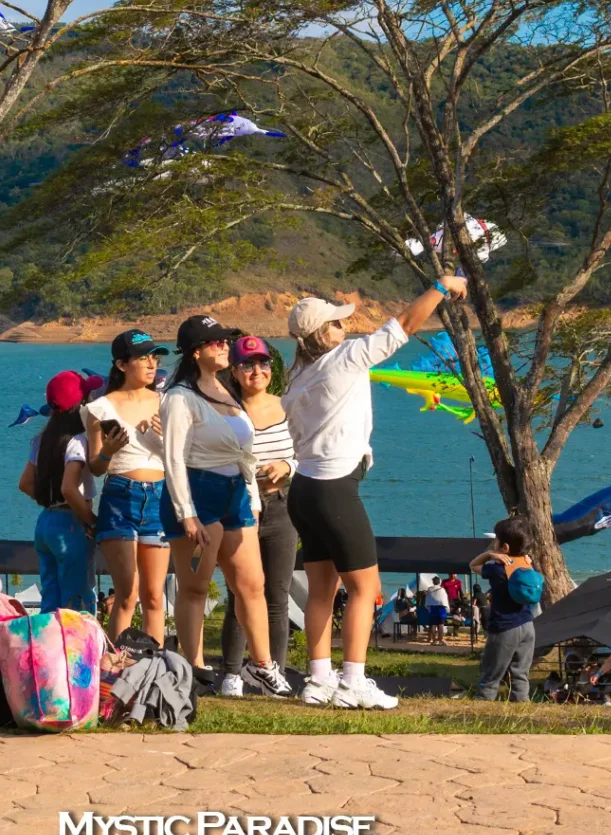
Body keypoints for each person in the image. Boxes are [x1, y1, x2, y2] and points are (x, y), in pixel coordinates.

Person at [282, 278, 467, 710]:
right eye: (336, 324)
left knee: (322, 591)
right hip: (334, 490)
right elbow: (404, 323)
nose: (344, 329)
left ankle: (319, 680)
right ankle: (353, 681)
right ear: (323, 335)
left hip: (304, 491)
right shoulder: (345, 359)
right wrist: (441, 286)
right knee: (366, 588)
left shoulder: (297, 380)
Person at [160, 315, 291, 697]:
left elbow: (243, 452)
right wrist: (187, 513)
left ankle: (263, 667)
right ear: (197, 351)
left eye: (224, 342)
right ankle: (195, 671)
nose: (224, 347)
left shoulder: (224, 390)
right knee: (196, 588)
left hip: (236, 491)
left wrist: (251, 498)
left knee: (253, 585)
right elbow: (172, 458)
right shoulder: (180, 397)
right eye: (216, 343)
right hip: (198, 493)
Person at [218, 335, 298, 697]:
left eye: (263, 363)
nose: (256, 371)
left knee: (277, 594)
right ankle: (232, 673)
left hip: (282, 507)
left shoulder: (288, 407)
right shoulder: (226, 412)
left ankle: (272, 673)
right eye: (247, 364)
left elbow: (308, 452)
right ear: (234, 371)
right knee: (241, 591)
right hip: (239, 508)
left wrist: (287, 464)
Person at [85, 329, 170, 643]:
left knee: (154, 596)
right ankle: (116, 666)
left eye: (154, 357)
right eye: (143, 357)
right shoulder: (101, 408)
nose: (151, 364)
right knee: (127, 594)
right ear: (122, 364)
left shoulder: (166, 402)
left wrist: (165, 437)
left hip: (160, 497)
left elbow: (182, 459)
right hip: (121, 495)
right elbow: (95, 466)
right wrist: (108, 450)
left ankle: (156, 668)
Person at [17, 370, 101, 614]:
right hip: (71, 525)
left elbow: (25, 484)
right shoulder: (77, 440)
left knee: (51, 598)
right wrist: (92, 521)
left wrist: (49, 498)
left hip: (45, 523)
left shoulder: (42, 439)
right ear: (82, 404)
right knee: (78, 603)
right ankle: (76, 652)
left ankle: (48, 648)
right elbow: (70, 488)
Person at [470, 515, 536, 702]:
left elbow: (473, 565)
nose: (493, 543)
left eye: (496, 541)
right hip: (527, 625)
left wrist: (490, 555)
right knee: (521, 674)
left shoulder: (496, 569)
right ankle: (521, 708)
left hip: (505, 627)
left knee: (491, 675)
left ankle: (482, 708)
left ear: (504, 548)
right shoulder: (528, 564)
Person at [424, 576, 450, 646]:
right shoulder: (442, 589)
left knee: (433, 625)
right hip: (441, 609)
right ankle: (440, 640)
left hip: (432, 608)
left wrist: (428, 608)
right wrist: (447, 609)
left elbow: (427, 600)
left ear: (433, 582)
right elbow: (445, 600)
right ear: (439, 582)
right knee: (441, 625)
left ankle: (434, 640)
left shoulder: (430, 589)